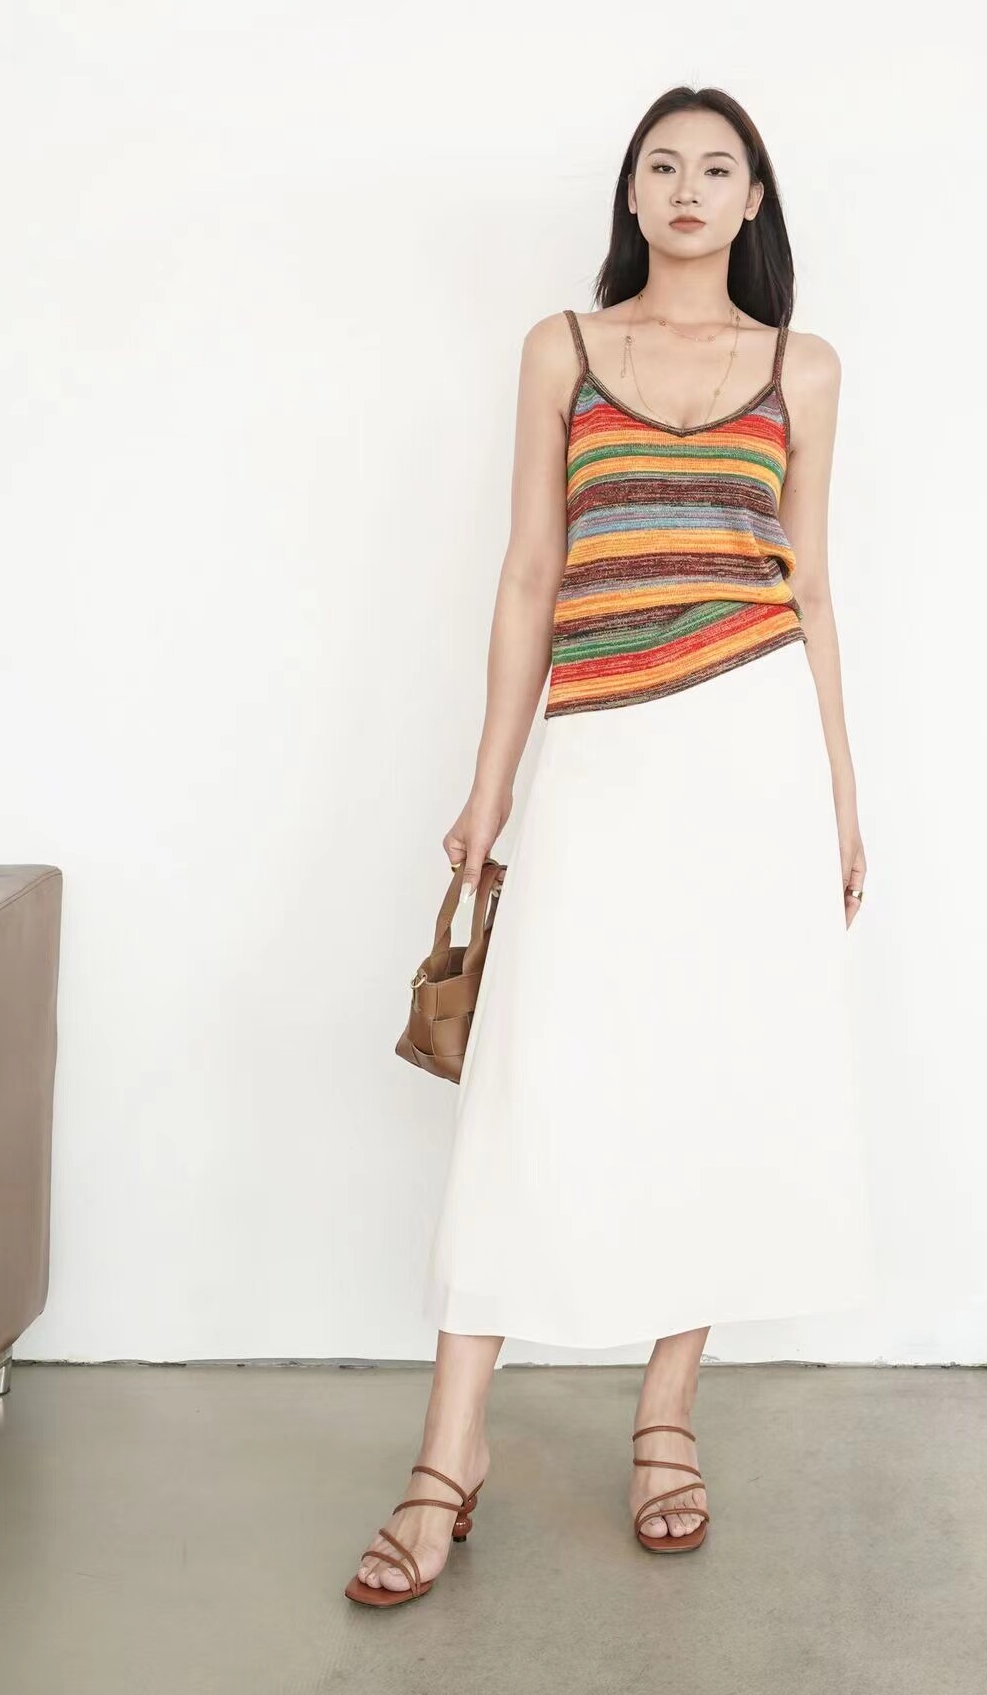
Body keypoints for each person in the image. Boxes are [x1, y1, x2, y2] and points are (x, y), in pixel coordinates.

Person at [347, 85, 873, 1607]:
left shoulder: (803, 367)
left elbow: (810, 588)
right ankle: (452, 1451)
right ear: (633, 196)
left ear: (754, 200)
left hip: (755, 754)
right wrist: (490, 785)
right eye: (664, 166)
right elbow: (531, 574)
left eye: (719, 168)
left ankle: (665, 1419)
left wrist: (842, 797)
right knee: (534, 1080)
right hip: (598, 749)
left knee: (720, 1070)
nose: (689, 188)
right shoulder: (562, 350)